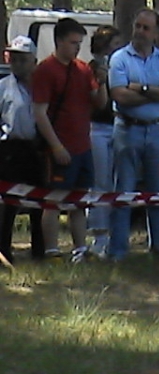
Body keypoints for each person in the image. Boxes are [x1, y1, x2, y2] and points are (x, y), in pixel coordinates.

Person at [32, 18, 108, 263]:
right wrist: (55, 146)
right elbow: (39, 112)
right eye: (73, 43)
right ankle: (52, 251)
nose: (77, 48)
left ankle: (80, 249)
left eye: (80, 43)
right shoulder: (45, 70)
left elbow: (99, 103)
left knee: (79, 200)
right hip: (60, 146)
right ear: (59, 41)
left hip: (83, 145)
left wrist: (103, 82)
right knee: (53, 201)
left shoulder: (83, 69)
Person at [108, 8, 159, 261]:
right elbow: (120, 95)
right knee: (123, 192)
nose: (140, 31)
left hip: (158, 130)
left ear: (156, 33)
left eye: (146, 28)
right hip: (127, 129)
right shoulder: (119, 59)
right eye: (137, 26)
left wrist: (140, 87)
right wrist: (152, 92)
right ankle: (117, 251)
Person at [0, 36, 45, 263]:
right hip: (10, 148)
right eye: (13, 58)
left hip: (36, 148)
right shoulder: (2, 87)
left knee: (40, 200)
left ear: (33, 61)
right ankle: (4, 250)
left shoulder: (42, 87)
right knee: (9, 201)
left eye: (22, 59)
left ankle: (39, 249)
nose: (16, 63)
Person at [87, 25, 122, 258]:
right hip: (97, 128)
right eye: (115, 44)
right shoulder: (91, 69)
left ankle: (117, 236)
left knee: (119, 184)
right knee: (100, 182)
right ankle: (99, 237)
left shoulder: (122, 66)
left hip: (120, 126)